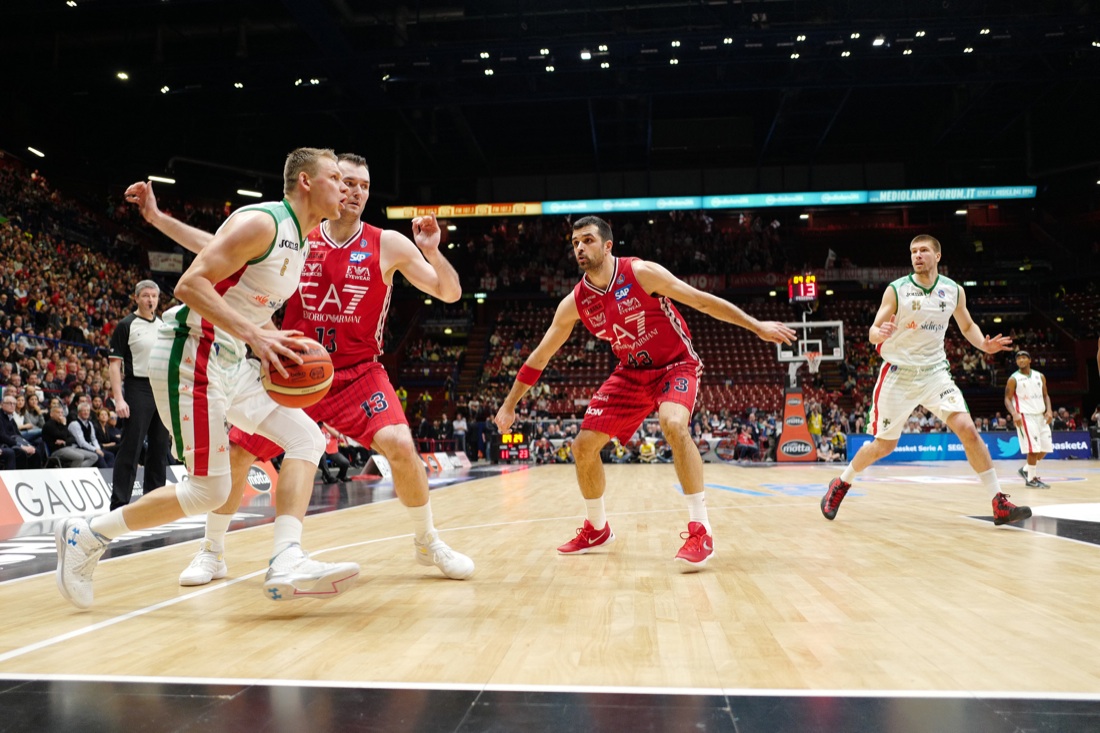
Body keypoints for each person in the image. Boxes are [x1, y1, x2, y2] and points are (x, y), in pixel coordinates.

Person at [124, 152, 473, 588]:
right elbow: (216, 246)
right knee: (238, 454)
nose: (354, 192)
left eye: (364, 186)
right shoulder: (299, 236)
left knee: (401, 445)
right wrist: (157, 219)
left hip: (357, 373)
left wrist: (432, 251)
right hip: (292, 369)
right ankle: (211, 550)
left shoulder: (387, 243)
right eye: (346, 182)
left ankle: (427, 540)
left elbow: (449, 292)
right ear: (329, 183)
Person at [56, 147, 360, 610]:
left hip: (231, 360)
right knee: (208, 491)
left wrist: (158, 219)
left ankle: (286, 559)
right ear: (305, 181)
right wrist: (256, 335)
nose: (344, 187)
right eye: (335, 177)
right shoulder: (265, 222)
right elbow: (189, 284)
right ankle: (88, 534)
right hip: (191, 354)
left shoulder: (297, 239)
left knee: (306, 439)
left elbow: (213, 246)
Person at [493, 215, 795, 571]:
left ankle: (700, 530)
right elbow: (541, 356)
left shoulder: (641, 273)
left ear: (608, 245)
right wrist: (509, 404)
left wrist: (756, 326)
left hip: (675, 365)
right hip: (632, 372)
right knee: (582, 447)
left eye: (588, 240)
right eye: (575, 243)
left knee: (673, 424)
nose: (580, 248)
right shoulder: (575, 303)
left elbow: (701, 301)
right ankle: (597, 529)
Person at [820, 234, 1031, 526]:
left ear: (937, 256)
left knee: (968, 430)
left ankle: (998, 502)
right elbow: (873, 330)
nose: (917, 255)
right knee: (884, 446)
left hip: (934, 373)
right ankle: (841, 483)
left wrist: (984, 344)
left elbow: (967, 325)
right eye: (913, 251)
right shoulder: (897, 290)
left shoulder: (954, 290)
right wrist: (879, 334)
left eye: (923, 251)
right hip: (899, 374)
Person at [108, 280, 172, 510]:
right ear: (136, 298)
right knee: (131, 446)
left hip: (160, 387)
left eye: (154, 296)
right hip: (138, 387)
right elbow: (114, 365)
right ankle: (119, 504)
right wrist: (119, 398)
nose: (150, 300)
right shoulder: (126, 325)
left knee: (159, 447)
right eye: (145, 295)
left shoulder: (163, 325)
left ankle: (153, 504)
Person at [1004, 350, 1053, 489]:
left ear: (1030, 360)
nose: (1021, 360)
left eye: (1024, 357)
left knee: (1045, 448)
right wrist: (1014, 413)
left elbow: (1046, 395)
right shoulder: (1013, 379)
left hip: (1041, 416)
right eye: (1018, 358)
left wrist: (1049, 410)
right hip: (1025, 416)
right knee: (1033, 449)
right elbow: (1007, 399)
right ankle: (1031, 479)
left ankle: (1026, 469)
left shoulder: (1040, 376)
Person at [43, 403, 100, 467]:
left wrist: (65, 442)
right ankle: (72, 471)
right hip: (56, 450)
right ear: (51, 414)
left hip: (68, 447)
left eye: (62, 413)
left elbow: (72, 438)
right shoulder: (49, 425)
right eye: (58, 412)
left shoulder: (61, 424)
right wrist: (64, 424)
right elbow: (62, 436)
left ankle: (74, 469)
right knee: (79, 457)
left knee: (94, 456)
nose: (60, 414)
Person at [0, 392, 44, 469]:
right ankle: (18, 475)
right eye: (9, 403)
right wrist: (20, 446)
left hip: (13, 442)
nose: (12, 405)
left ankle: (35, 475)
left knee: (35, 451)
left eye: (14, 403)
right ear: (2, 404)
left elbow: (18, 434)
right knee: (20, 452)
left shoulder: (10, 417)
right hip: (5, 444)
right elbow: (2, 436)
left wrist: (26, 444)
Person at [67, 402, 113, 468]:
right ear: (79, 412)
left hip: (89, 448)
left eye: (88, 411)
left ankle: (110, 473)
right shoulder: (74, 424)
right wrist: (95, 450)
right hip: (78, 448)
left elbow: (93, 439)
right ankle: (104, 474)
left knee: (110, 455)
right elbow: (81, 443)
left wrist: (98, 448)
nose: (86, 412)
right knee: (99, 457)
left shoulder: (90, 424)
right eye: (84, 411)